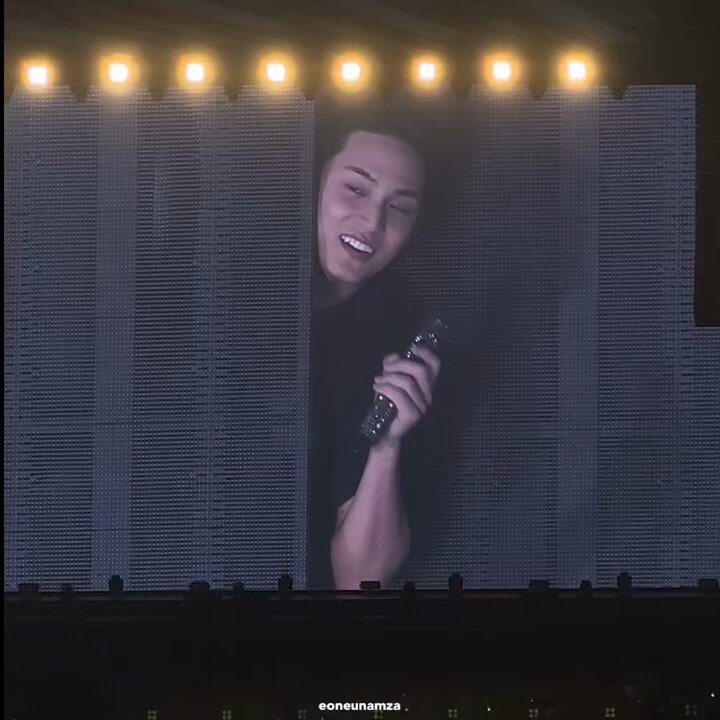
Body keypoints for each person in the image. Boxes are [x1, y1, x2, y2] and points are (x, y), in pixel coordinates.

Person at [308, 119, 444, 590]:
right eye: (355, 189)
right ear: (316, 180)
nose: (372, 223)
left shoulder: (399, 343)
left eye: (399, 208)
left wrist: (387, 444)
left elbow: (361, 581)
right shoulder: (226, 300)